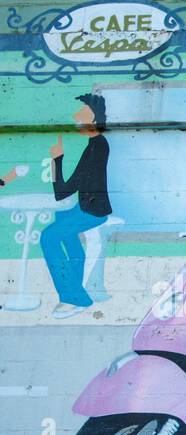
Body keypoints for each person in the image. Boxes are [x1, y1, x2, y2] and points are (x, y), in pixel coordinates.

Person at [43, 93, 112, 319]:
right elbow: (66, 192)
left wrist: (57, 160)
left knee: (48, 237)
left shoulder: (96, 148)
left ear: (93, 119)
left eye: (81, 114)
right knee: (61, 225)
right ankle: (73, 294)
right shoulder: (96, 145)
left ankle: (77, 298)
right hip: (88, 206)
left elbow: (62, 191)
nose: (76, 117)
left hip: (92, 211)